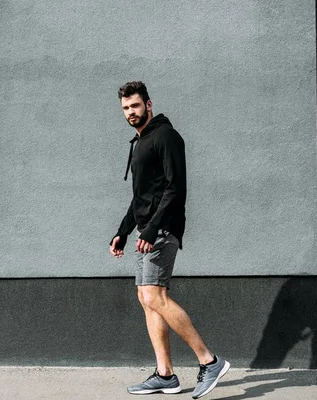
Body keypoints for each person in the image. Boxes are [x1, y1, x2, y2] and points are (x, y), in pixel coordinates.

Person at [109, 81, 230, 398]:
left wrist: (150, 230)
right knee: (146, 299)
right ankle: (165, 375)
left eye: (135, 106)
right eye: (125, 108)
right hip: (147, 230)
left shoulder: (165, 137)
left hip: (162, 230)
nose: (130, 112)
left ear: (148, 105)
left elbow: (175, 190)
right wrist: (124, 231)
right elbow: (140, 198)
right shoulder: (140, 142)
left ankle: (209, 360)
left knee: (154, 296)